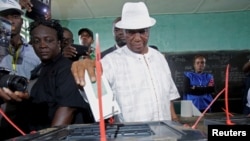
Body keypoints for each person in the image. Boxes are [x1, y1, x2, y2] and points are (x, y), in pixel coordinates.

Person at [71, 2, 180, 122]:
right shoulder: (111, 61)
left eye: (142, 31)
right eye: (131, 32)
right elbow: (94, 92)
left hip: (165, 133)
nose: (138, 38)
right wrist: (84, 74)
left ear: (149, 31)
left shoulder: (159, 58)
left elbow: (169, 96)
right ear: (124, 32)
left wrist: (175, 121)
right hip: (132, 135)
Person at [21, 18, 94, 131]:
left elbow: (67, 110)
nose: (42, 45)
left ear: (59, 43)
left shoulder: (67, 68)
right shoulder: (39, 69)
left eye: (49, 40)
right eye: (36, 41)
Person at [0, 0, 41, 139]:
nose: (11, 21)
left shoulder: (36, 51)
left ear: (22, 22)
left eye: (15, 16)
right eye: (5, 17)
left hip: (30, 116)